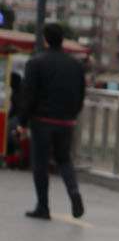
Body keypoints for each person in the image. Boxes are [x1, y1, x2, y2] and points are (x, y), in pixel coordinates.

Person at [18, 22, 85, 219]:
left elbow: (29, 94)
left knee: (40, 163)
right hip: (66, 122)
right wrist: (72, 114)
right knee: (64, 160)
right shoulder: (75, 65)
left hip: (42, 121)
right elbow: (81, 93)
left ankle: (43, 206)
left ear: (45, 39)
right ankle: (74, 192)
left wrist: (22, 122)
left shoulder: (36, 62)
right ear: (62, 39)